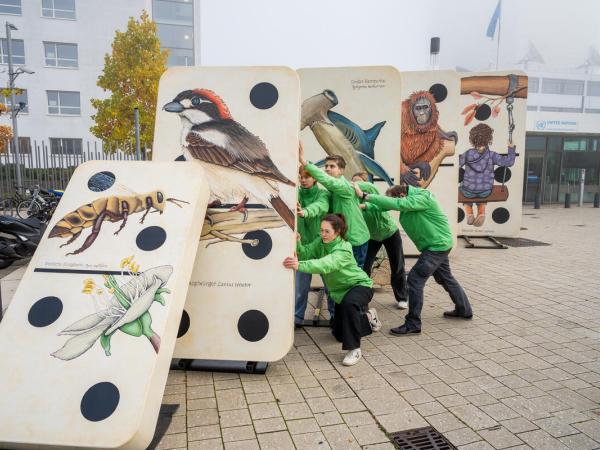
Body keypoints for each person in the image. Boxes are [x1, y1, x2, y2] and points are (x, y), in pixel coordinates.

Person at [354, 183, 472, 335]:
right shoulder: (407, 200)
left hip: (436, 246)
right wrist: (367, 207)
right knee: (445, 277)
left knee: (415, 280)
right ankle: (464, 309)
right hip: (437, 245)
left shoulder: (423, 197)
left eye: (396, 200)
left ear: (402, 195)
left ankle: (413, 323)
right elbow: (387, 206)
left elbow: (396, 204)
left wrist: (365, 195)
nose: (395, 203)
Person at [283, 214, 380, 366]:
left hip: (359, 285)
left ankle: (355, 349)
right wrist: (298, 242)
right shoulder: (320, 242)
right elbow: (306, 253)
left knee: (350, 305)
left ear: (338, 232)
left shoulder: (344, 249)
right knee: (339, 334)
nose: (323, 234)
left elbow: (326, 264)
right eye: (321, 230)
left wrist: (299, 265)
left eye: (327, 231)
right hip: (340, 293)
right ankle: (369, 317)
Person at [299, 143, 370, 267]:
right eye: (326, 166)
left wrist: (305, 163)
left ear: (341, 171)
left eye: (332, 166)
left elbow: (328, 181)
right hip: (343, 239)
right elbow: (322, 204)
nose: (327, 169)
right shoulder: (330, 191)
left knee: (355, 278)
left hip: (355, 239)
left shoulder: (345, 187)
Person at [351, 172, 408, 309]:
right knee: (364, 267)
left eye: (359, 183)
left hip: (390, 232)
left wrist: (365, 204)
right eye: (354, 182)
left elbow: (380, 206)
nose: (356, 186)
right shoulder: (352, 199)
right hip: (371, 237)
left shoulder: (371, 191)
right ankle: (362, 298)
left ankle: (402, 297)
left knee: (397, 265)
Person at [459, 123, 516, 227]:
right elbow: (509, 162)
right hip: (486, 191)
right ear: (488, 138)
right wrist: (511, 148)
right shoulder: (492, 155)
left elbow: (457, 165)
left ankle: (469, 212)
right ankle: (481, 212)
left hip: (468, 191)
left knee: (463, 188)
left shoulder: (467, 154)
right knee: (482, 193)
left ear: (472, 139)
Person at [295, 167, 331, 327]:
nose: (303, 180)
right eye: (301, 177)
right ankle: (297, 318)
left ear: (315, 178)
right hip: (302, 247)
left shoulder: (322, 194)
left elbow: (321, 206)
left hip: (321, 245)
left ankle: (335, 318)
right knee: (300, 288)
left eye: (307, 176)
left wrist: (305, 211)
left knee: (331, 286)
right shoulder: (296, 192)